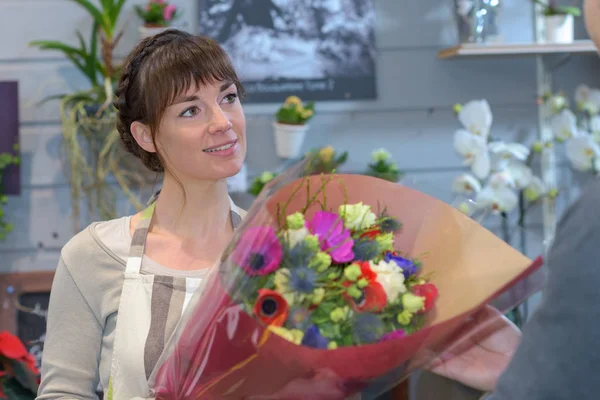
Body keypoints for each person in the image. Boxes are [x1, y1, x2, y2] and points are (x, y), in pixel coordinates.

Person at [37, 30, 249, 399]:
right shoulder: (93, 255)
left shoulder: (282, 249)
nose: (222, 121)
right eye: (190, 110)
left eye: (228, 97)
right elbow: (63, 393)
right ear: (146, 135)